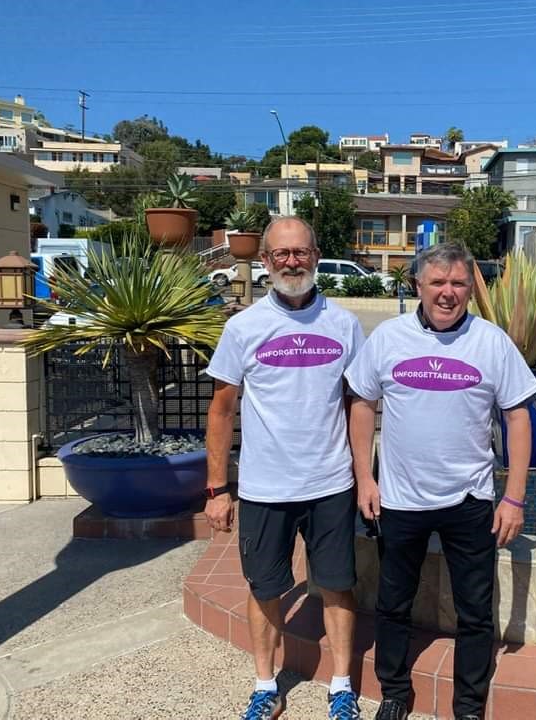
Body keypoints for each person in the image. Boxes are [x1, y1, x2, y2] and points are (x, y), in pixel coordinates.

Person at [345, 242, 536, 720]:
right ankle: (394, 693)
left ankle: (468, 706)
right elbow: (362, 404)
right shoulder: (388, 338)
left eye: (457, 283)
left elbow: (517, 417)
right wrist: (364, 478)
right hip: (401, 499)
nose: (447, 293)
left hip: (470, 500)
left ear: (471, 288)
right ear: (418, 285)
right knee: (393, 603)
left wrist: (514, 496)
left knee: (475, 612)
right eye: (438, 283)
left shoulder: (491, 341)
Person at [204, 216, 365, 720]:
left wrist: (366, 478)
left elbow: (358, 403)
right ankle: (264, 685)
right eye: (281, 254)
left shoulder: (345, 325)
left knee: (337, 585)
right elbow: (222, 409)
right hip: (264, 487)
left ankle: (341, 687)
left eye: (300, 252)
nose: (291, 261)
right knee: (265, 588)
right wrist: (216, 489)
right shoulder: (243, 327)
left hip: (331, 482)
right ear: (266, 261)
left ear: (316, 255)